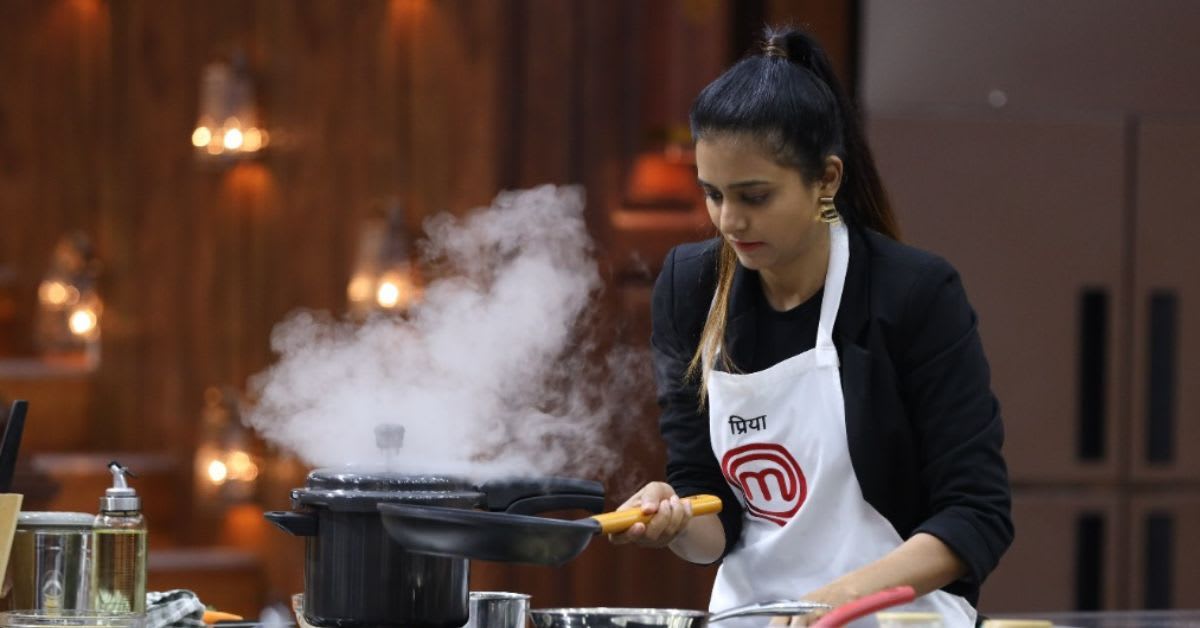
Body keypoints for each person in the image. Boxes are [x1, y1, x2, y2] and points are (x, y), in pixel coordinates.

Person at [609, 26, 1013, 627]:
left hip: (898, 618)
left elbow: (977, 514)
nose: (729, 220)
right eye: (713, 194)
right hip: (753, 617)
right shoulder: (691, 289)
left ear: (826, 178)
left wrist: (838, 599)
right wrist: (673, 518)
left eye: (755, 196)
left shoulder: (913, 293)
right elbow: (713, 523)